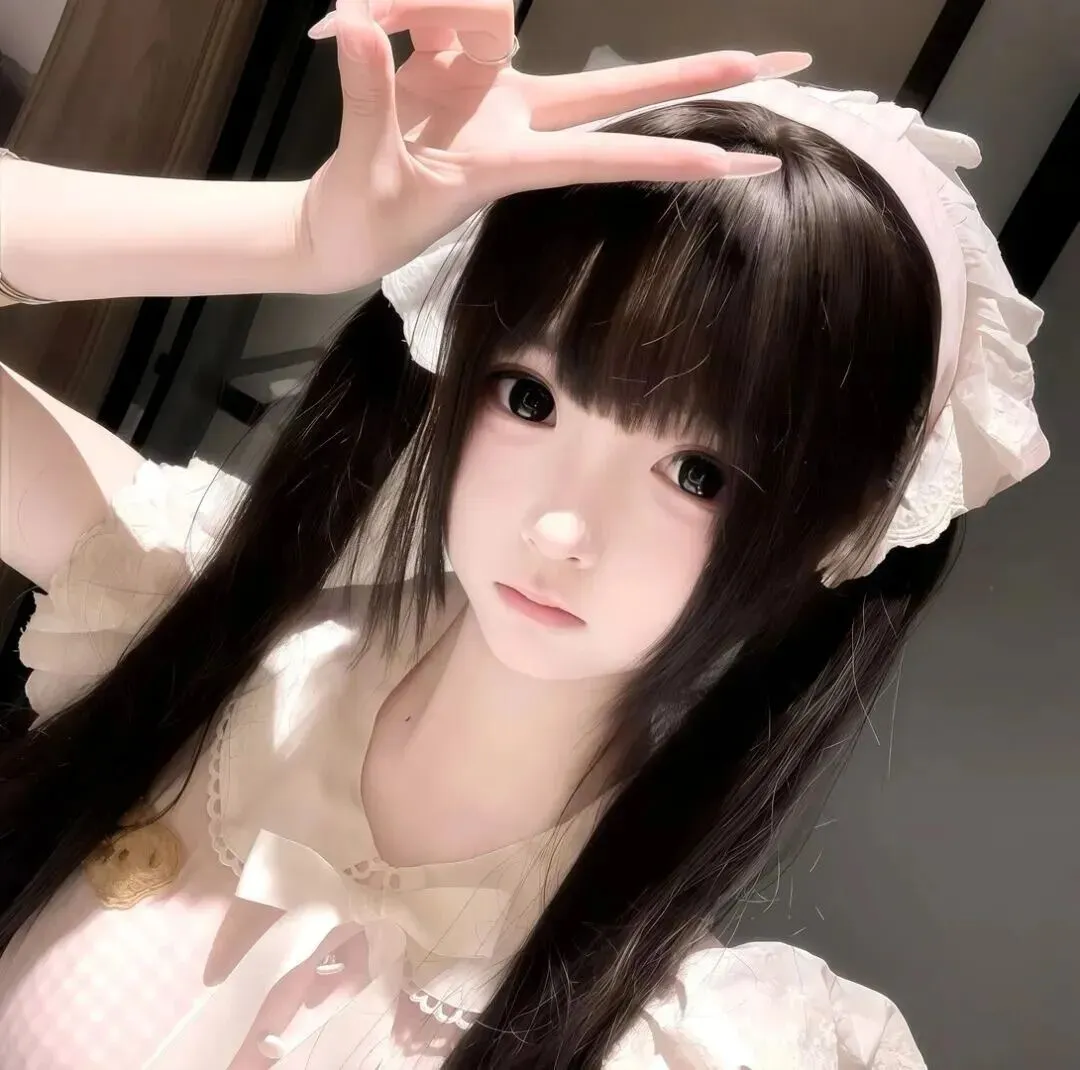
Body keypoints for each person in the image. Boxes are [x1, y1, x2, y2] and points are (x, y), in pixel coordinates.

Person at [0, 2, 1049, 1068]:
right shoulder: (197, 616)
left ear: (845, 527)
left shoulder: (702, 1042)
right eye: (531, 398)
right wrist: (303, 233)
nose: (560, 526)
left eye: (699, 474)